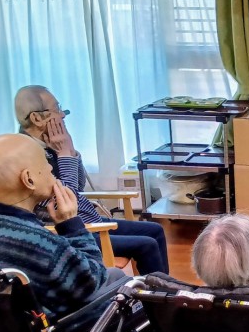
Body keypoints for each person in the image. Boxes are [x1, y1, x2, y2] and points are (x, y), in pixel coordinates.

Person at [0, 134, 158, 332]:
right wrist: (71, 224)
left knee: (117, 274)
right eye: (47, 166)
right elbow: (94, 279)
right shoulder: (38, 242)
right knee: (133, 286)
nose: (52, 171)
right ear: (29, 179)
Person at [14, 85, 169, 275]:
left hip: (88, 221)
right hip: (69, 232)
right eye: (56, 109)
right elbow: (65, 200)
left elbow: (78, 185)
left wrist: (70, 150)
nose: (62, 115)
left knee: (155, 230)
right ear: (36, 118)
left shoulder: (49, 145)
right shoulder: (28, 155)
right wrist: (64, 155)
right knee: (147, 245)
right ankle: (152, 292)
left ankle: (166, 288)